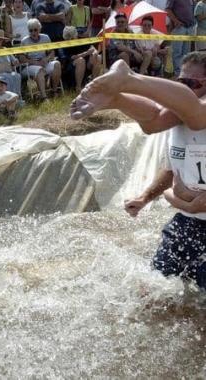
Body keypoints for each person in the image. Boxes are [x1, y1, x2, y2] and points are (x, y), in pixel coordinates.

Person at [70, 54, 206, 289]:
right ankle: (116, 94)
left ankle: (130, 79)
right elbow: (169, 161)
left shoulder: (196, 111)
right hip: (187, 224)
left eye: (192, 83)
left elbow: (196, 114)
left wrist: (180, 200)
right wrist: (146, 197)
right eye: (181, 82)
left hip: (192, 214)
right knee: (157, 291)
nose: (184, 88)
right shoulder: (179, 115)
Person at [20, 18, 62, 101]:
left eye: (35, 30)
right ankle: (44, 97)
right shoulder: (24, 41)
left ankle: (54, 91)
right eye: (30, 30)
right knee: (39, 70)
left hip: (44, 62)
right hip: (30, 65)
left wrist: (47, 58)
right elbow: (22, 58)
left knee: (57, 64)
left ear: (39, 29)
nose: (33, 32)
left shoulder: (45, 37)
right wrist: (35, 62)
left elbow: (52, 52)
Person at [59, 25, 101, 93]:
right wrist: (86, 53)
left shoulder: (81, 40)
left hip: (86, 66)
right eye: (68, 38)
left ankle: (93, 85)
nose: (70, 40)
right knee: (81, 60)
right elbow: (72, 58)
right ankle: (78, 87)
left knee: (98, 57)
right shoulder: (62, 45)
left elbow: (92, 48)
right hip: (70, 68)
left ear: (76, 36)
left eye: (72, 38)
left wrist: (94, 53)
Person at [166, 0, 195, 78]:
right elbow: (168, 9)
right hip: (179, 27)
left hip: (189, 27)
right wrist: (176, 21)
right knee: (177, 53)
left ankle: (184, 74)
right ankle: (178, 74)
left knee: (186, 53)